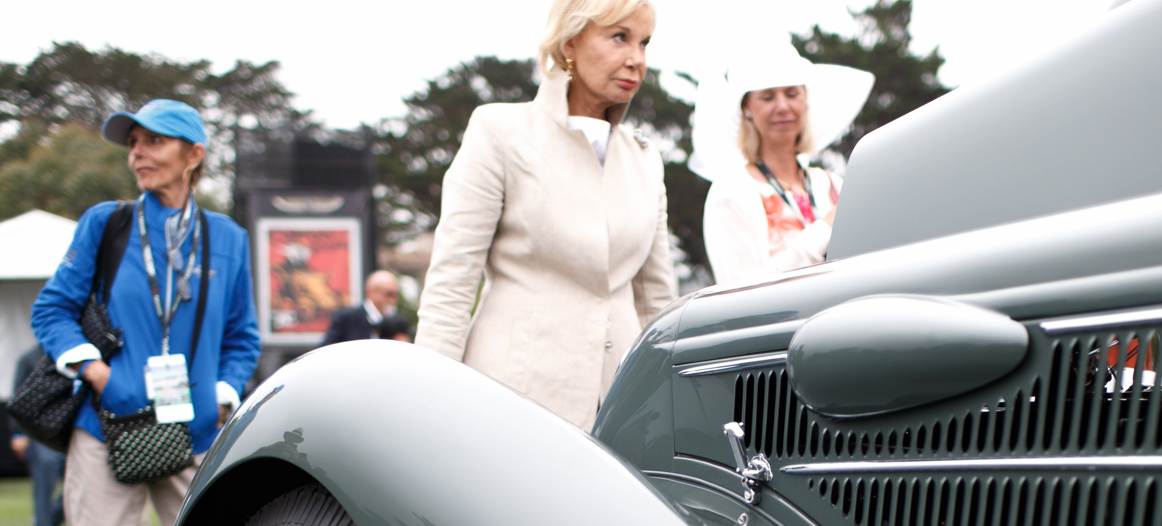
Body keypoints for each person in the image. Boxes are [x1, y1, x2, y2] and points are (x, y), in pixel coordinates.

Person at [30, 98, 259, 526]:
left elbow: (242, 337)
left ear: (194, 155)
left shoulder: (228, 239)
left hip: (191, 439)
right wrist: (98, 373)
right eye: (132, 142)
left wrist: (221, 395)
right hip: (107, 434)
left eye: (156, 141)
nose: (138, 153)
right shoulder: (108, 224)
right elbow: (52, 309)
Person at [416, 0, 674, 430]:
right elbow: (452, 282)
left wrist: (671, 404)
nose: (636, 59)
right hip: (513, 402)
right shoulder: (499, 131)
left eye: (645, 43)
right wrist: (423, 395)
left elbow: (658, 305)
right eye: (619, 37)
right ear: (570, 41)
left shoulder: (647, 159)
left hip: (623, 409)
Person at [695, 43, 872, 289]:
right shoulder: (730, 191)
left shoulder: (832, 184)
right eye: (767, 97)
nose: (782, 107)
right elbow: (738, 293)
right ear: (747, 108)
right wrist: (823, 230)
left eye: (791, 94)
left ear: (805, 100)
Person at [8, 340, 65, 526]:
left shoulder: (73, 352)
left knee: (74, 488)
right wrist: (17, 433)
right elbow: (18, 395)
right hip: (40, 430)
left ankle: (47, 521)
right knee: (44, 485)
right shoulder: (28, 358)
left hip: (69, 429)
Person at [320, 270, 411, 345]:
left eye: (396, 294)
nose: (393, 299)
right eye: (389, 294)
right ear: (371, 292)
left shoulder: (397, 322)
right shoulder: (347, 318)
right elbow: (325, 350)